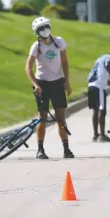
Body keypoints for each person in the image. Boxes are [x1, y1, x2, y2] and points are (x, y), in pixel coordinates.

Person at [25, 16, 74, 159]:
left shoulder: (58, 42)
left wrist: (67, 82)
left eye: (46, 27)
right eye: (41, 29)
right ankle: (40, 149)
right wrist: (35, 84)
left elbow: (65, 62)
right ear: (37, 32)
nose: (45, 30)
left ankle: (66, 149)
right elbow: (28, 68)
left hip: (58, 82)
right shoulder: (36, 47)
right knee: (43, 117)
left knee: (61, 118)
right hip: (43, 84)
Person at [87, 50, 110, 142]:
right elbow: (108, 67)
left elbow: (100, 76)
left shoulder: (99, 59)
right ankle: (102, 135)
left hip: (91, 85)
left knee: (95, 110)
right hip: (99, 88)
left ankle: (95, 135)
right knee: (101, 111)